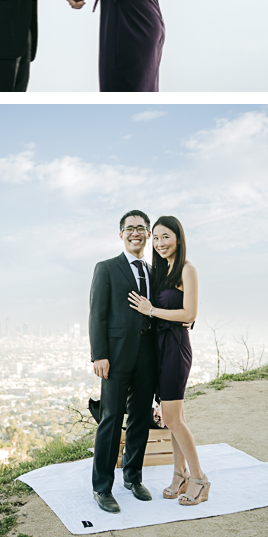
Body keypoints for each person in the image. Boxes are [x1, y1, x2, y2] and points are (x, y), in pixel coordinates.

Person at [128, 215, 210, 507]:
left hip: (175, 348)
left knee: (173, 419)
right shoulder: (161, 272)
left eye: (167, 237)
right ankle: (180, 474)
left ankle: (199, 479)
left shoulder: (187, 270)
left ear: (178, 237)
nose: (161, 243)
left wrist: (152, 311)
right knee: (174, 419)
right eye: (157, 238)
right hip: (159, 348)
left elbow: (189, 314)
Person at [89, 210, 158, 513]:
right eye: (130, 229)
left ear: (148, 234)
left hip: (148, 356)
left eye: (141, 228)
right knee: (111, 420)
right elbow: (97, 314)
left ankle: (133, 477)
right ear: (121, 235)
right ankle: (102, 487)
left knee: (141, 418)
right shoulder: (106, 268)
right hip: (115, 357)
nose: (135, 233)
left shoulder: (155, 273)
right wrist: (99, 355)